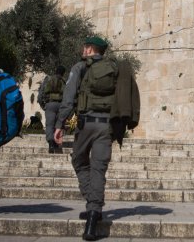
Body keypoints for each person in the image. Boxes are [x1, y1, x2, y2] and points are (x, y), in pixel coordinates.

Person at [54, 36, 140, 241]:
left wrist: (60, 124)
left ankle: (92, 203)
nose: (83, 50)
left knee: (78, 160)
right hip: (106, 126)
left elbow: (68, 97)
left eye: (85, 47)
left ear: (90, 49)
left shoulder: (80, 67)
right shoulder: (115, 68)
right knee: (99, 168)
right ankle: (93, 214)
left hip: (85, 124)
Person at [38, 65, 67, 153]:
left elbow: (40, 94)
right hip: (61, 105)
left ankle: (51, 142)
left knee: (49, 124)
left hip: (49, 104)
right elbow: (67, 95)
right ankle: (56, 142)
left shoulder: (48, 80)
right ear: (63, 73)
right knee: (59, 124)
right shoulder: (64, 82)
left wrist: (43, 105)